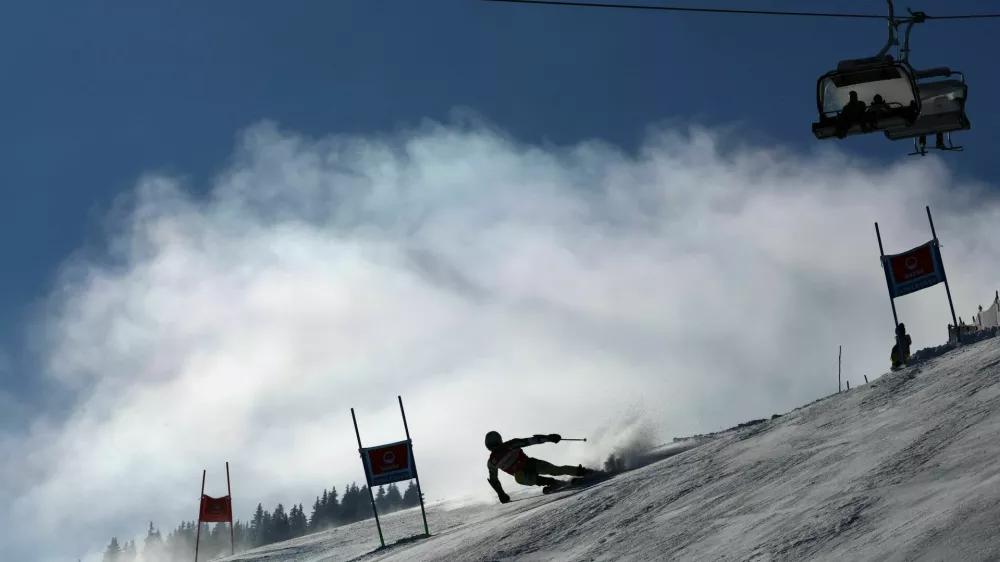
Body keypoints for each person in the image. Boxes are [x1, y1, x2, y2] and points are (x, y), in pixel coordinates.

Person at [485, 431, 597, 503]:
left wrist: (549, 438)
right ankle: (552, 482)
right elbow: (494, 479)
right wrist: (501, 493)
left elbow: (530, 441)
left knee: (555, 470)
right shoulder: (493, 462)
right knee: (518, 477)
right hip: (524, 474)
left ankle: (582, 471)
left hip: (531, 464)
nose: (496, 449)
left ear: (500, 442)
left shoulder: (511, 445)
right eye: (492, 447)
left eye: (497, 445)